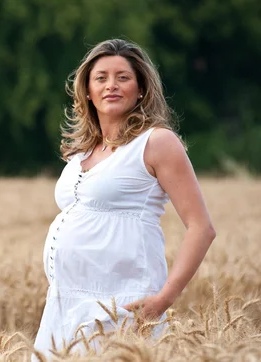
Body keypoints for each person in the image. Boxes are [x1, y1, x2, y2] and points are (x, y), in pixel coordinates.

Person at [32, 39, 216, 359]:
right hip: (64, 306)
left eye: (123, 77)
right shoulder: (81, 152)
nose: (111, 85)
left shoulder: (157, 142)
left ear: (141, 88)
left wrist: (163, 300)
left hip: (121, 307)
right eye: (100, 78)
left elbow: (201, 227)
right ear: (87, 91)